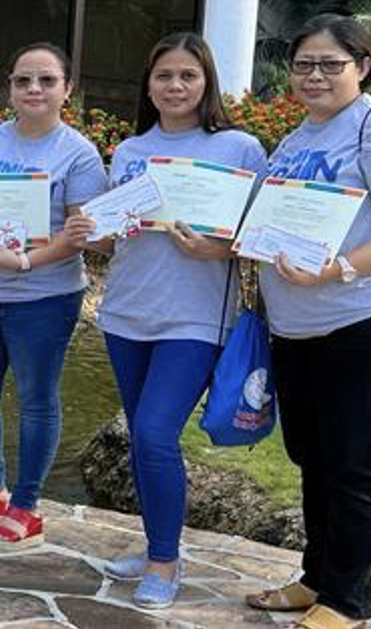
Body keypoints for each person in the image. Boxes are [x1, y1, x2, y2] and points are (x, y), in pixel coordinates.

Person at [244, 15, 371, 629]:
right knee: (315, 457)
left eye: (331, 64)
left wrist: (338, 272)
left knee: (357, 462)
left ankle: (349, 601)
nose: (315, 76)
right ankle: (317, 579)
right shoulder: (300, 136)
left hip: (365, 320)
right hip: (298, 327)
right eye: (304, 64)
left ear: (362, 67)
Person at [92, 33, 267, 608]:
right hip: (126, 310)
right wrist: (101, 227)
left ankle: (165, 564)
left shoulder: (240, 148)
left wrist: (222, 250)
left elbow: (262, 233)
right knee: (143, 442)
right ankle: (154, 544)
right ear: (148, 84)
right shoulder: (130, 151)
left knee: (153, 433)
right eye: (164, 76)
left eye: (187, 76)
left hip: (194, 317)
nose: (175, 86)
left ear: (206, 83)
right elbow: (115, 228)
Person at [0, 42, 105, 549]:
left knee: (35, 399)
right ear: (9, 87)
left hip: (45, 295)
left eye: (46, 80)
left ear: (66, 90)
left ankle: (27, 506)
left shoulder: (77, 153)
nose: (33, 89)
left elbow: (81, 233)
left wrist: (26, 259)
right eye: (23, 80)